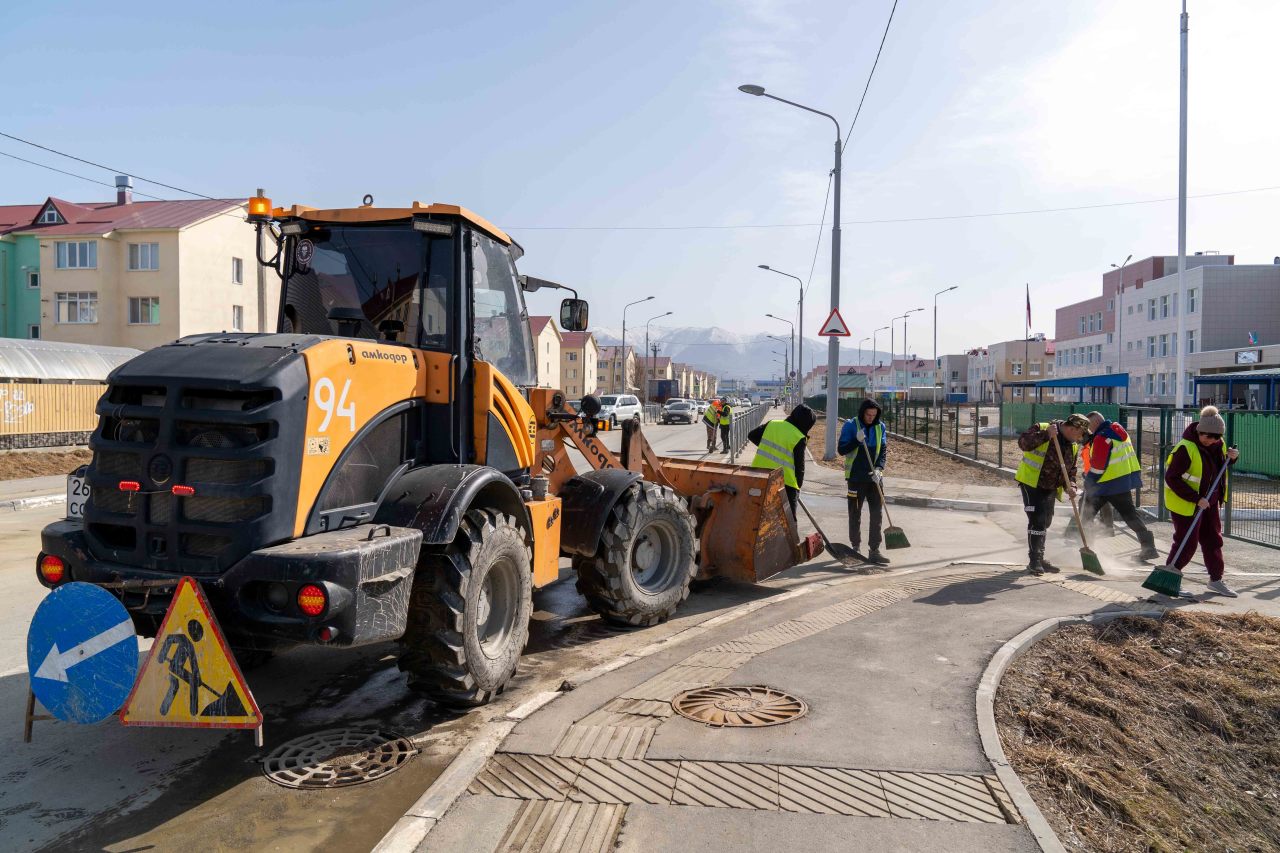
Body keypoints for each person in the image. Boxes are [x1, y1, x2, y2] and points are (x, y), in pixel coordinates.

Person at [1163, 405, 1241, 597]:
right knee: (1186, 542)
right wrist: (1196, 499)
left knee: (1213, 540)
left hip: (1210, 502)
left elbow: (1217, 468)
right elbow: (1172, 478)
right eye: (1208, 437)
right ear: (1199, 431)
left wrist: (1231, 459)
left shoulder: (1217, 444)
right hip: (1187, 503)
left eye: (1216, 438)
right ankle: (1169, 578)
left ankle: (1216, 580)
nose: (1211, 441)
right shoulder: (1185, 448)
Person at [1015, 414, 1089, 575]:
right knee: (1038, 520)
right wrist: (1046, 434)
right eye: (1080, 433)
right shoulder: (1042, 428)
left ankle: (1040, 558)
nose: (1081, 437)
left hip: (1050, 488)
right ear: (1071, 428)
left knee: (1046, 522)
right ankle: (1034, 560)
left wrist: (1072, 486)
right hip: (1032, 483)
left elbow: (1071, 470)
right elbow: (1023, 443)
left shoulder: (1073, 445)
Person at [1080, 411, 1160, 562]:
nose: (1087, 430)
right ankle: (1149, 547)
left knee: (1085, 512)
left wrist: (1088, 480)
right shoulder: (1118, 430)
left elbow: (1098, 466)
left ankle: (1086, 547)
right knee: (1130, 516)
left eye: (1088, 426)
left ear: (1095, 423)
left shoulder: (1102, 437)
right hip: (1121, 483)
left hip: (1104, 484)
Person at [837, 399, 890, 565]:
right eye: (868, 415)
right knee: (855, 513)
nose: (871, 418)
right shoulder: (851, 426)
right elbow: (841, 450)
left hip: (874, 478)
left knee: (877, 514)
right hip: (855, 478)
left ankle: (874, 550)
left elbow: (883, 452)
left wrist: (879, 469)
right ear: (862, 412)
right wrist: (856, 441)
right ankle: (855, 548)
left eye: (874, 415)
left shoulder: (880, 427)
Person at [748, 404, 816, 515]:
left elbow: (752, 435)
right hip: (785, 485)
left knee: (757, 515)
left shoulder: (772, 424)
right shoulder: (799, 437)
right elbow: (800, 467)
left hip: (759, 476)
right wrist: (797, 487)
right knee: (788, 523)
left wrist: (766, 448)